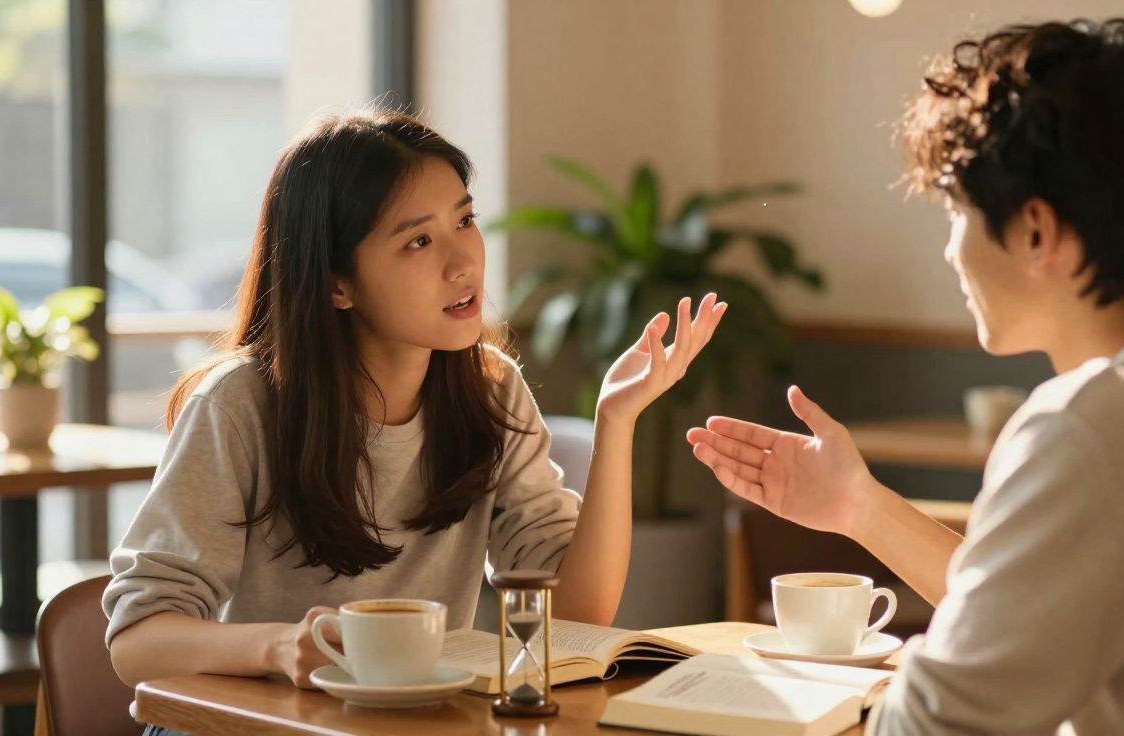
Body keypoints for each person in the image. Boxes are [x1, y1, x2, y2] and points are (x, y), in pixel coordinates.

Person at [687, 18, 1124, 735]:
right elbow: (1044, 600)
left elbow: (928, 728)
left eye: (956, 213)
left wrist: (912, 668)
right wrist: (862, 508)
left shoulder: (1092, 428)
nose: (950, 251)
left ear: (1037, 231)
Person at [104, 108, 727, 695]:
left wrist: (616, 421)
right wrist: (279, 648)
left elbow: (574, 614)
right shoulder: (239, 404)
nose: (463, 262)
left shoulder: (490, 390)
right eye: (418, 243)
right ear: (337, 283)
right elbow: (136, 643)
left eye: (464, 220)